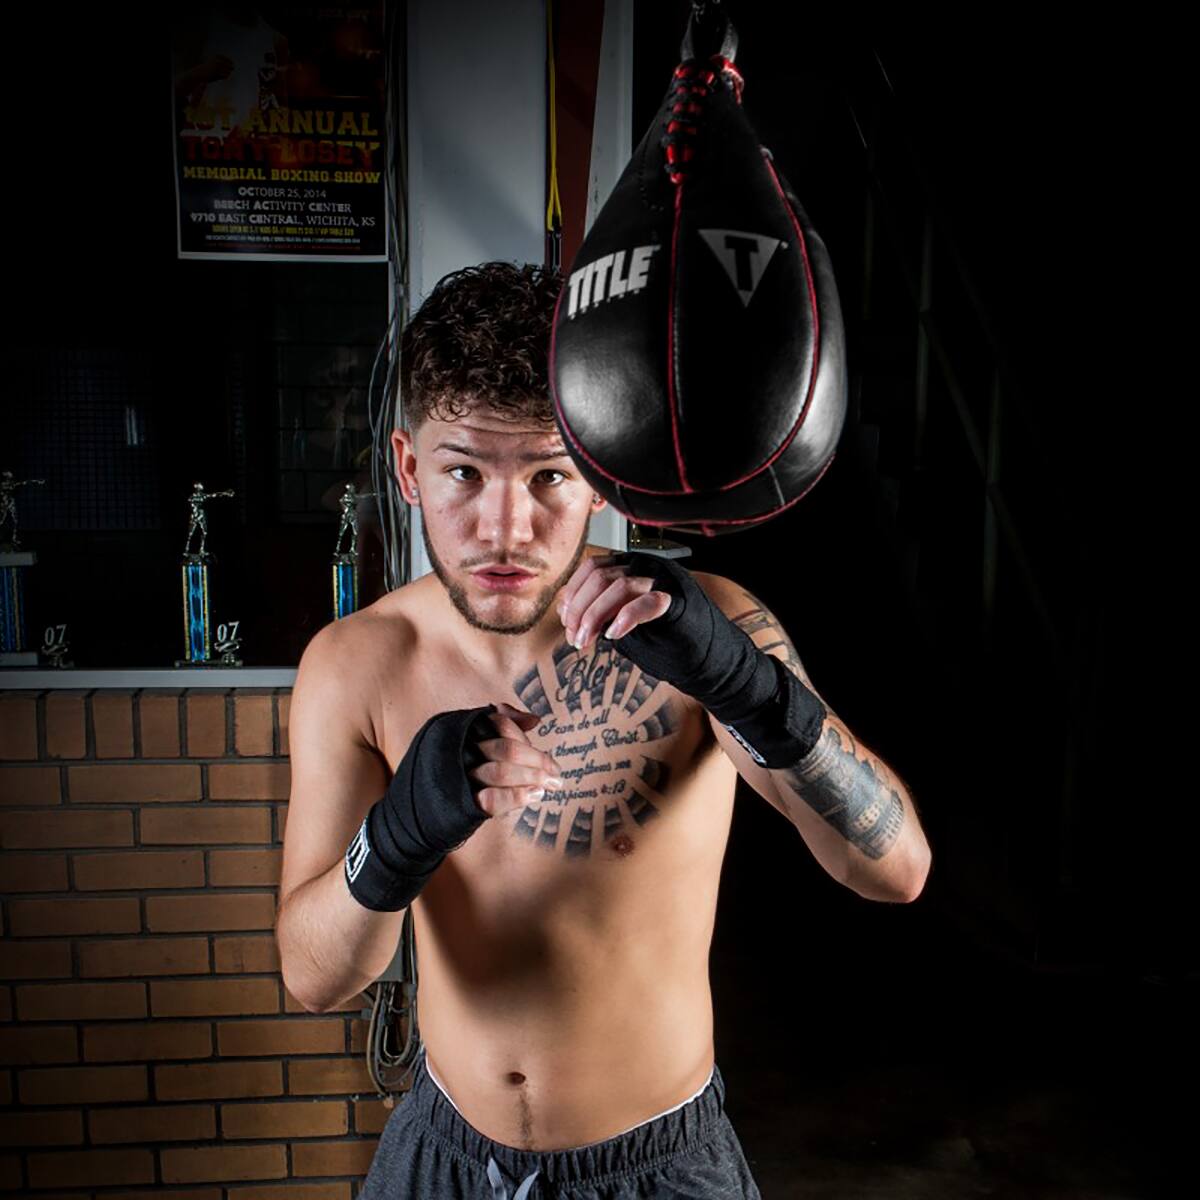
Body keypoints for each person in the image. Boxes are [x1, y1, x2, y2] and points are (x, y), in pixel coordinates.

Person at [276, 261, 932, 1199]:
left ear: (598, 478)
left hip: (660, 1166)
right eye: (465, 472)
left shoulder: (708, 627)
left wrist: (747, 688)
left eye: (548, 474)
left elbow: (897, 868)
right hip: (441, 1153)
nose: (505, 528)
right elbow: (313, 976)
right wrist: (395, 838)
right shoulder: (357, 665)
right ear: (410, 468)